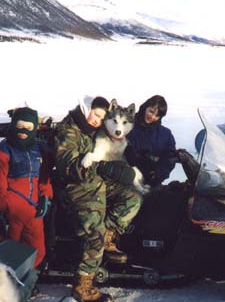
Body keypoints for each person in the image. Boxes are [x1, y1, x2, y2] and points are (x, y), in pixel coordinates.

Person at [54, 95, 142, 302]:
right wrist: (102, 167)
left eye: (102, 117)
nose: (97, 120)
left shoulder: (91, 130)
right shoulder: (69, 131)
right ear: (86, 110)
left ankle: (108, 239)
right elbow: (67, 167)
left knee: (133, 198)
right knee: (95, 232)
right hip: (76, 187)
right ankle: (83, 283)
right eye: (95, 114)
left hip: (97, 182)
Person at [0, 107, 53, 290]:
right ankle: (7, 286)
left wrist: (46, 196)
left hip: (34, 209)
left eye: (28, 127)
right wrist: (3, 208)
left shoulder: (39, 149)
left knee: (37, 249)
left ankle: (27, 282)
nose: (23, 132)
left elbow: (44, 177)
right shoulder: (5, 149)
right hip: (12, 210)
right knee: (10, 250)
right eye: (20, 126)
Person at [125, 95, 177, 187]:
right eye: (151, 111)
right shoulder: (127, 124)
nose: (152, 117)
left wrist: (157, 174)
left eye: (157, 115)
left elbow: (169, 158)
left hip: (151, 183)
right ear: (145, 106)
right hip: (126, 178)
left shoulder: (165, 135)